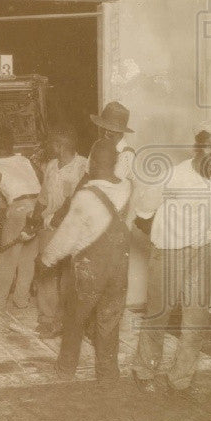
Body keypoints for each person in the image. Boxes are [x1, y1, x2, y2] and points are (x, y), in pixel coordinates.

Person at [131, 122, 211, 396]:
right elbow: (142, 213)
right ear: (197, 147)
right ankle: (144, 369)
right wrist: (163, 240)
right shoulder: (173, 176)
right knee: (158, 316)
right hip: (168, 253)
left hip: (202, 253)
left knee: (196, 321)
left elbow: (210, 216)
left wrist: (206, 243)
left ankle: (181, 379)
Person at [40, 138, 132, 382]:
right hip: (119, 267)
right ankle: (107, 374)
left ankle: (66, 369)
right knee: (109, 320)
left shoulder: (85, 196)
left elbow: (66, 238)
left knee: (75, 319)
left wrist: (46, 260)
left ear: (90, 164)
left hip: (90, 269)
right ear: (115, 163)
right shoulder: (128, 188)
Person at [33, 125, 87, 341]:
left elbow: (80, 199)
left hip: (72, 230)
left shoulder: (83, 165)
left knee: (69, 277)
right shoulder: (52, 166)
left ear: (61, 145)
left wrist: (62, 215)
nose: (49, 147)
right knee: (45, 272)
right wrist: (37, 213)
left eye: (52, 144)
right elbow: (43, 196)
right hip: (49, 226)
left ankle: (65, 321)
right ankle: (47, 319)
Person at [0, 126, 41, 315]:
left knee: (8, 257)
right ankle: (21, 299)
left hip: (18, 208)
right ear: (12, 145)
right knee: (28, 258)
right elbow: (36, 181)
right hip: (38, 206)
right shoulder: (25, 160)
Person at [90, 101, 135, 183]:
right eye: (104, 127)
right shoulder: (98, 146)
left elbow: (115, 185)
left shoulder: (127, 154)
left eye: (111, 129)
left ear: (120, 130)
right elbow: (87, 174)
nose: (106, 132)